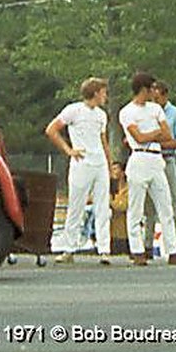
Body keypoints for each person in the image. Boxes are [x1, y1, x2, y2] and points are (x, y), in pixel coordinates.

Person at [119, 71, 176, 266]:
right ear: (143, 89)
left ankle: (174, 250)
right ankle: (137, 250)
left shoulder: (155, 109)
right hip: (139, 158)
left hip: (156, 159)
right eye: (151, 88)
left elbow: (167, 135)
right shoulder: (127, 112)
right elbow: (138, 138)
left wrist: (149, 134)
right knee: (136, 208)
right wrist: (154, 133)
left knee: (166, 206)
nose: (154, 92)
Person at [45, 77, 114, 264]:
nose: (105, 97)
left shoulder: (101, 115)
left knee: (103, 206)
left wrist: (109, 164)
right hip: (81, 162)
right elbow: (52, 130)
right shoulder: (73, 110)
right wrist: (69, 150)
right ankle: (69, 248)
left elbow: (103, 141)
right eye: (103, 93)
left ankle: (104, 249)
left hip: (99, 163)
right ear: (95, 93)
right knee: (76, 205)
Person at [150, 80, 176, 197]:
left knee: (170, 195)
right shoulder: (147, 112)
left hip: (166, 158)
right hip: (148, 160)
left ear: (165, 96)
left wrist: (158, 145)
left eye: (156, 98)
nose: (154, 102)